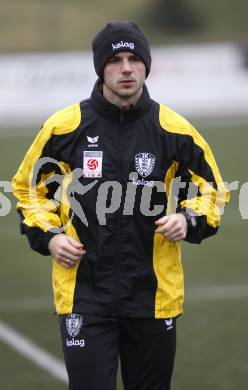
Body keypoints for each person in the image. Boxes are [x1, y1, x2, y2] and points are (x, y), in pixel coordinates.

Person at [12, 21, 229, 390]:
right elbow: (28, 190)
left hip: (153, 297)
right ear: (101, 68)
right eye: (115, 59)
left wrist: (188, 220)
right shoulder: (65, 127)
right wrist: (50, 237)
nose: (126, 68)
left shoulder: (173, 129)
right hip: (84, 296)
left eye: (133, 58)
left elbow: (212, 189)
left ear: (146, 65)